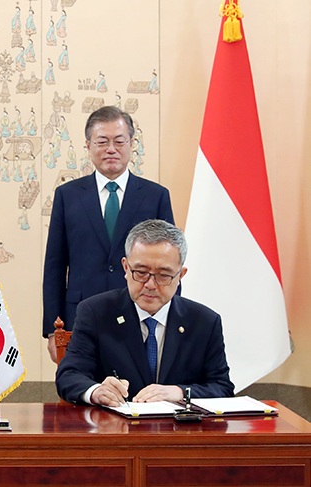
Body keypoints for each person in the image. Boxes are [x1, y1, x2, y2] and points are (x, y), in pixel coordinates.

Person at [42, 106, 174, 362]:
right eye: (102, 141)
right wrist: (51, 330)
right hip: (78, 317)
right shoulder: (67, 196)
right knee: (80, 391)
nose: (111, 149)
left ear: (131, 144)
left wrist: (169, 318)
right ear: (88, 146)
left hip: (141, 313)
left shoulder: (155, 196)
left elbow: (170, 264)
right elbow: (55, 266)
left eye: (119, 141)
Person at [56, 220, 234, 404]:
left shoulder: (204, 322)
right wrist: (96, 391)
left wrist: (180, 392)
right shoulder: (95, 312)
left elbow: (222, 387)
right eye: (140, 272)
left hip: (179, 430)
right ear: (125, 267)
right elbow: (69, 376)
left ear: (180, 275)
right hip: (115, 428)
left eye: (164, 275)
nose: (150, 285)